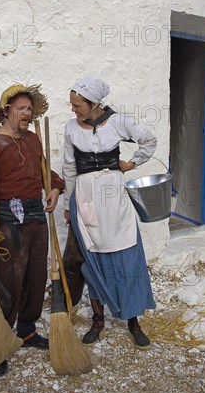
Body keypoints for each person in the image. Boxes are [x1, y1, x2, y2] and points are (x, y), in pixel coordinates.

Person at [0, 84, 64, 376]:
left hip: (35, 214)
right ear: (6, 111)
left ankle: (26, 330)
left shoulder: (34, 140)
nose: (27, 113)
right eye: (21, 109)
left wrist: (55, 188)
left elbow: (43, 171)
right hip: (7, 219)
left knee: (36, 275)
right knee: (9, 280)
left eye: (29, 109)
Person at [63, 77, 157, 347]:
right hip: (85, 197)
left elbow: (149, 141)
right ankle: (98, 319)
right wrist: (70, 204)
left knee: (126, 255)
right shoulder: (71, 128)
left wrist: (131, 164)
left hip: (114, 197)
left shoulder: (118, 122)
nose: (73, 109)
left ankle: (133, 319)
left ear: (94, 103)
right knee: (92, 259)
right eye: (72, 104)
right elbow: (70, 168)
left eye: (77, 104)